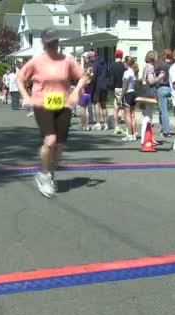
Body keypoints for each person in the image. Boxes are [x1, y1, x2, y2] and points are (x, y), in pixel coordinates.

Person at [16, 29, 88, 198]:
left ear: (58, 42)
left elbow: (82, 76)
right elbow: (20, 78)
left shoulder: (67, 61)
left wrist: (80, 86)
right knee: (50, 141)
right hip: (42, 103)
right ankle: (45, 175)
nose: (52, 45)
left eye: (54, 42)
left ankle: (49, 172)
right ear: (44, 44)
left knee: (60, 146)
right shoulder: (36, 61)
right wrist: (25, 96)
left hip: (63, 104)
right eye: (49, 43)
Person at [138, 51, 165, 145]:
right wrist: (160, 77)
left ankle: (149, 136)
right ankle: (145, 138)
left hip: (144, 92)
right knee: (148, 116)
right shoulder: (150, 66)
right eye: (157, 56)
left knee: (147, 115)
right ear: (153, 57)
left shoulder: (146, 65)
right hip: (149, 93)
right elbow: (151, 81)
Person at [155, 48, 175, 137]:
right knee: (165, 110)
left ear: (164, 56)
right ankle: (163, 129)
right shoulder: (174, 66)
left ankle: (166, 130)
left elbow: (156, 77)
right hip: (171, 88)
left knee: (163, 110)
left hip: (162, 87)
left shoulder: (161, 66)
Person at [120, 56, 139, 142]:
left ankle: (130, 135)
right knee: (132, 115)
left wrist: (120, 97)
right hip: (133, 93)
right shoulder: (133, 72)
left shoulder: (127, 73)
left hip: (128, 93)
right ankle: (134, 133)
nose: (123, 64)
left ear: (127, 63)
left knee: (127, 115)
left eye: (124, 62)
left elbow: (124, 87)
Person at [108, 49, 127, 134]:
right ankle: (127, 127)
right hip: (124, 88)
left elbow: (111, 78)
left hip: (116, 88)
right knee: (125, 108)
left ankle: (117, 126)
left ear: (115, 56)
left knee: (116, 108)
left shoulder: (111, 66)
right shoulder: (124, 66)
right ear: (122, 56)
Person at [90, 50, 109, 130]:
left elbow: (93, 77)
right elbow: (108, 74)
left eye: (90, 57)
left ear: (93, 57)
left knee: (96, 104)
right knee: (104, 105)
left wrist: (91, 84)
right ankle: (106, 124)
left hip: (97, 86)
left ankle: (98, 123)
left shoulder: (95, 64)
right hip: (104, 85)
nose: (90, 59)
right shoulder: (104, 63)